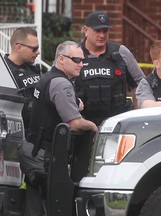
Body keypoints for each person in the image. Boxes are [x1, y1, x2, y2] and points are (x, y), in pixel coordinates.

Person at [20, 41, 98, 216]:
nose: (81, 64)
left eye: (83, 60)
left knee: (34, 208)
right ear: (62, 59)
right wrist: (93, 126)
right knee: (57, 206)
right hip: (45, 157)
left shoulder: (48, 77)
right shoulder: (61, 84)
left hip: (32, 150)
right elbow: (74, 123)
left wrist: (75, 103)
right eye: (77, 59)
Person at [75, 11, 145, 125]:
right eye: (97, 31)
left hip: (117, 123)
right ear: (86, 30)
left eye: (105, 31)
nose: (102, 35)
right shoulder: (74, 53)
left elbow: (140, 83)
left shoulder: (121, 52)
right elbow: (59, 84)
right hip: (83, 125)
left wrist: (138, 117)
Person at [4, 26, 41, 131]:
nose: (38, 52)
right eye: (34, 48)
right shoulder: (4, 72)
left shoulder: (32, 68)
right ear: (19, 48)